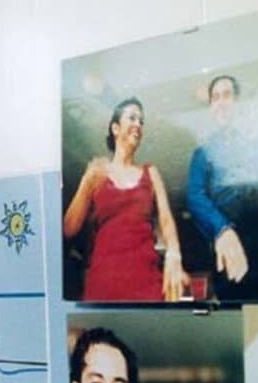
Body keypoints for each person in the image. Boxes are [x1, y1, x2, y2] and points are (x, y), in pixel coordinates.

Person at [187, 74, 258, 301]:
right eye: (215, 97)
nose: (221, 102)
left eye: (227, 95)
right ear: (210, 108)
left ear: (237, 102)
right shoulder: (203, 153)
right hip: (231, 243)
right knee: (241, 309)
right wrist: (222, 229)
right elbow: (195, 196)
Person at [63, 97, 186, 302]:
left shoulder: (150, 172)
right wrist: (87, 181)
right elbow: (69, 228)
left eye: (141, 121)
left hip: (146, 281)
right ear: (115, 128)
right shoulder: (97, 174)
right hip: (103, 284)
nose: (138, 124)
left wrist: (174, 254)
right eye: (132, 118)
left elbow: (165, 220)